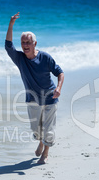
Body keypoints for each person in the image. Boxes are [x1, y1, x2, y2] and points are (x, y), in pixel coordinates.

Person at [5, 12, 64, 164]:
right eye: (23, 42)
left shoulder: (45, 57)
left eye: (28, 42)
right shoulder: (19, 59)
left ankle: (45, 153)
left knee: (48, 129)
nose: (25, 45)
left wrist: (58, 88)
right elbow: (8, 45)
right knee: (36, 131)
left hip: (51, 97)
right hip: (32, 99)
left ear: (34, 44)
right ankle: (40, 141)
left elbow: (60, 73)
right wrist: (11, 24)